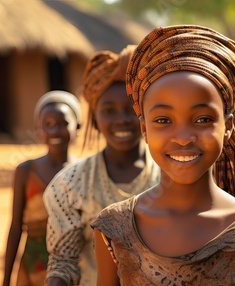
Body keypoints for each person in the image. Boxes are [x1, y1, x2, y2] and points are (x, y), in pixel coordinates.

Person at [91, 25, 235, 285]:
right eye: (164, 120)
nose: (184, 137)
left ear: (228, 128)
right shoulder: (114, 228)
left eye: (202, 119)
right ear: (144, 128)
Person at [43, 46, 160, 286]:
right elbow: (63, 262)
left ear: (146, 115)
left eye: (131, 109)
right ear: (94, 120)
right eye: (108, 111)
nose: (121, 119)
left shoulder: (170, 176)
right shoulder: (70, 184)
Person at [3, 90, 81, 286]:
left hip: (74, 266)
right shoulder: (26, 171)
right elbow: (15, 227)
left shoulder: (84, 172)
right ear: (39, 130)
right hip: (32, 264)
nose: (55, 131)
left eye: (63, 124)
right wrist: (5, 280)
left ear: (78, 126)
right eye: (48, 125)